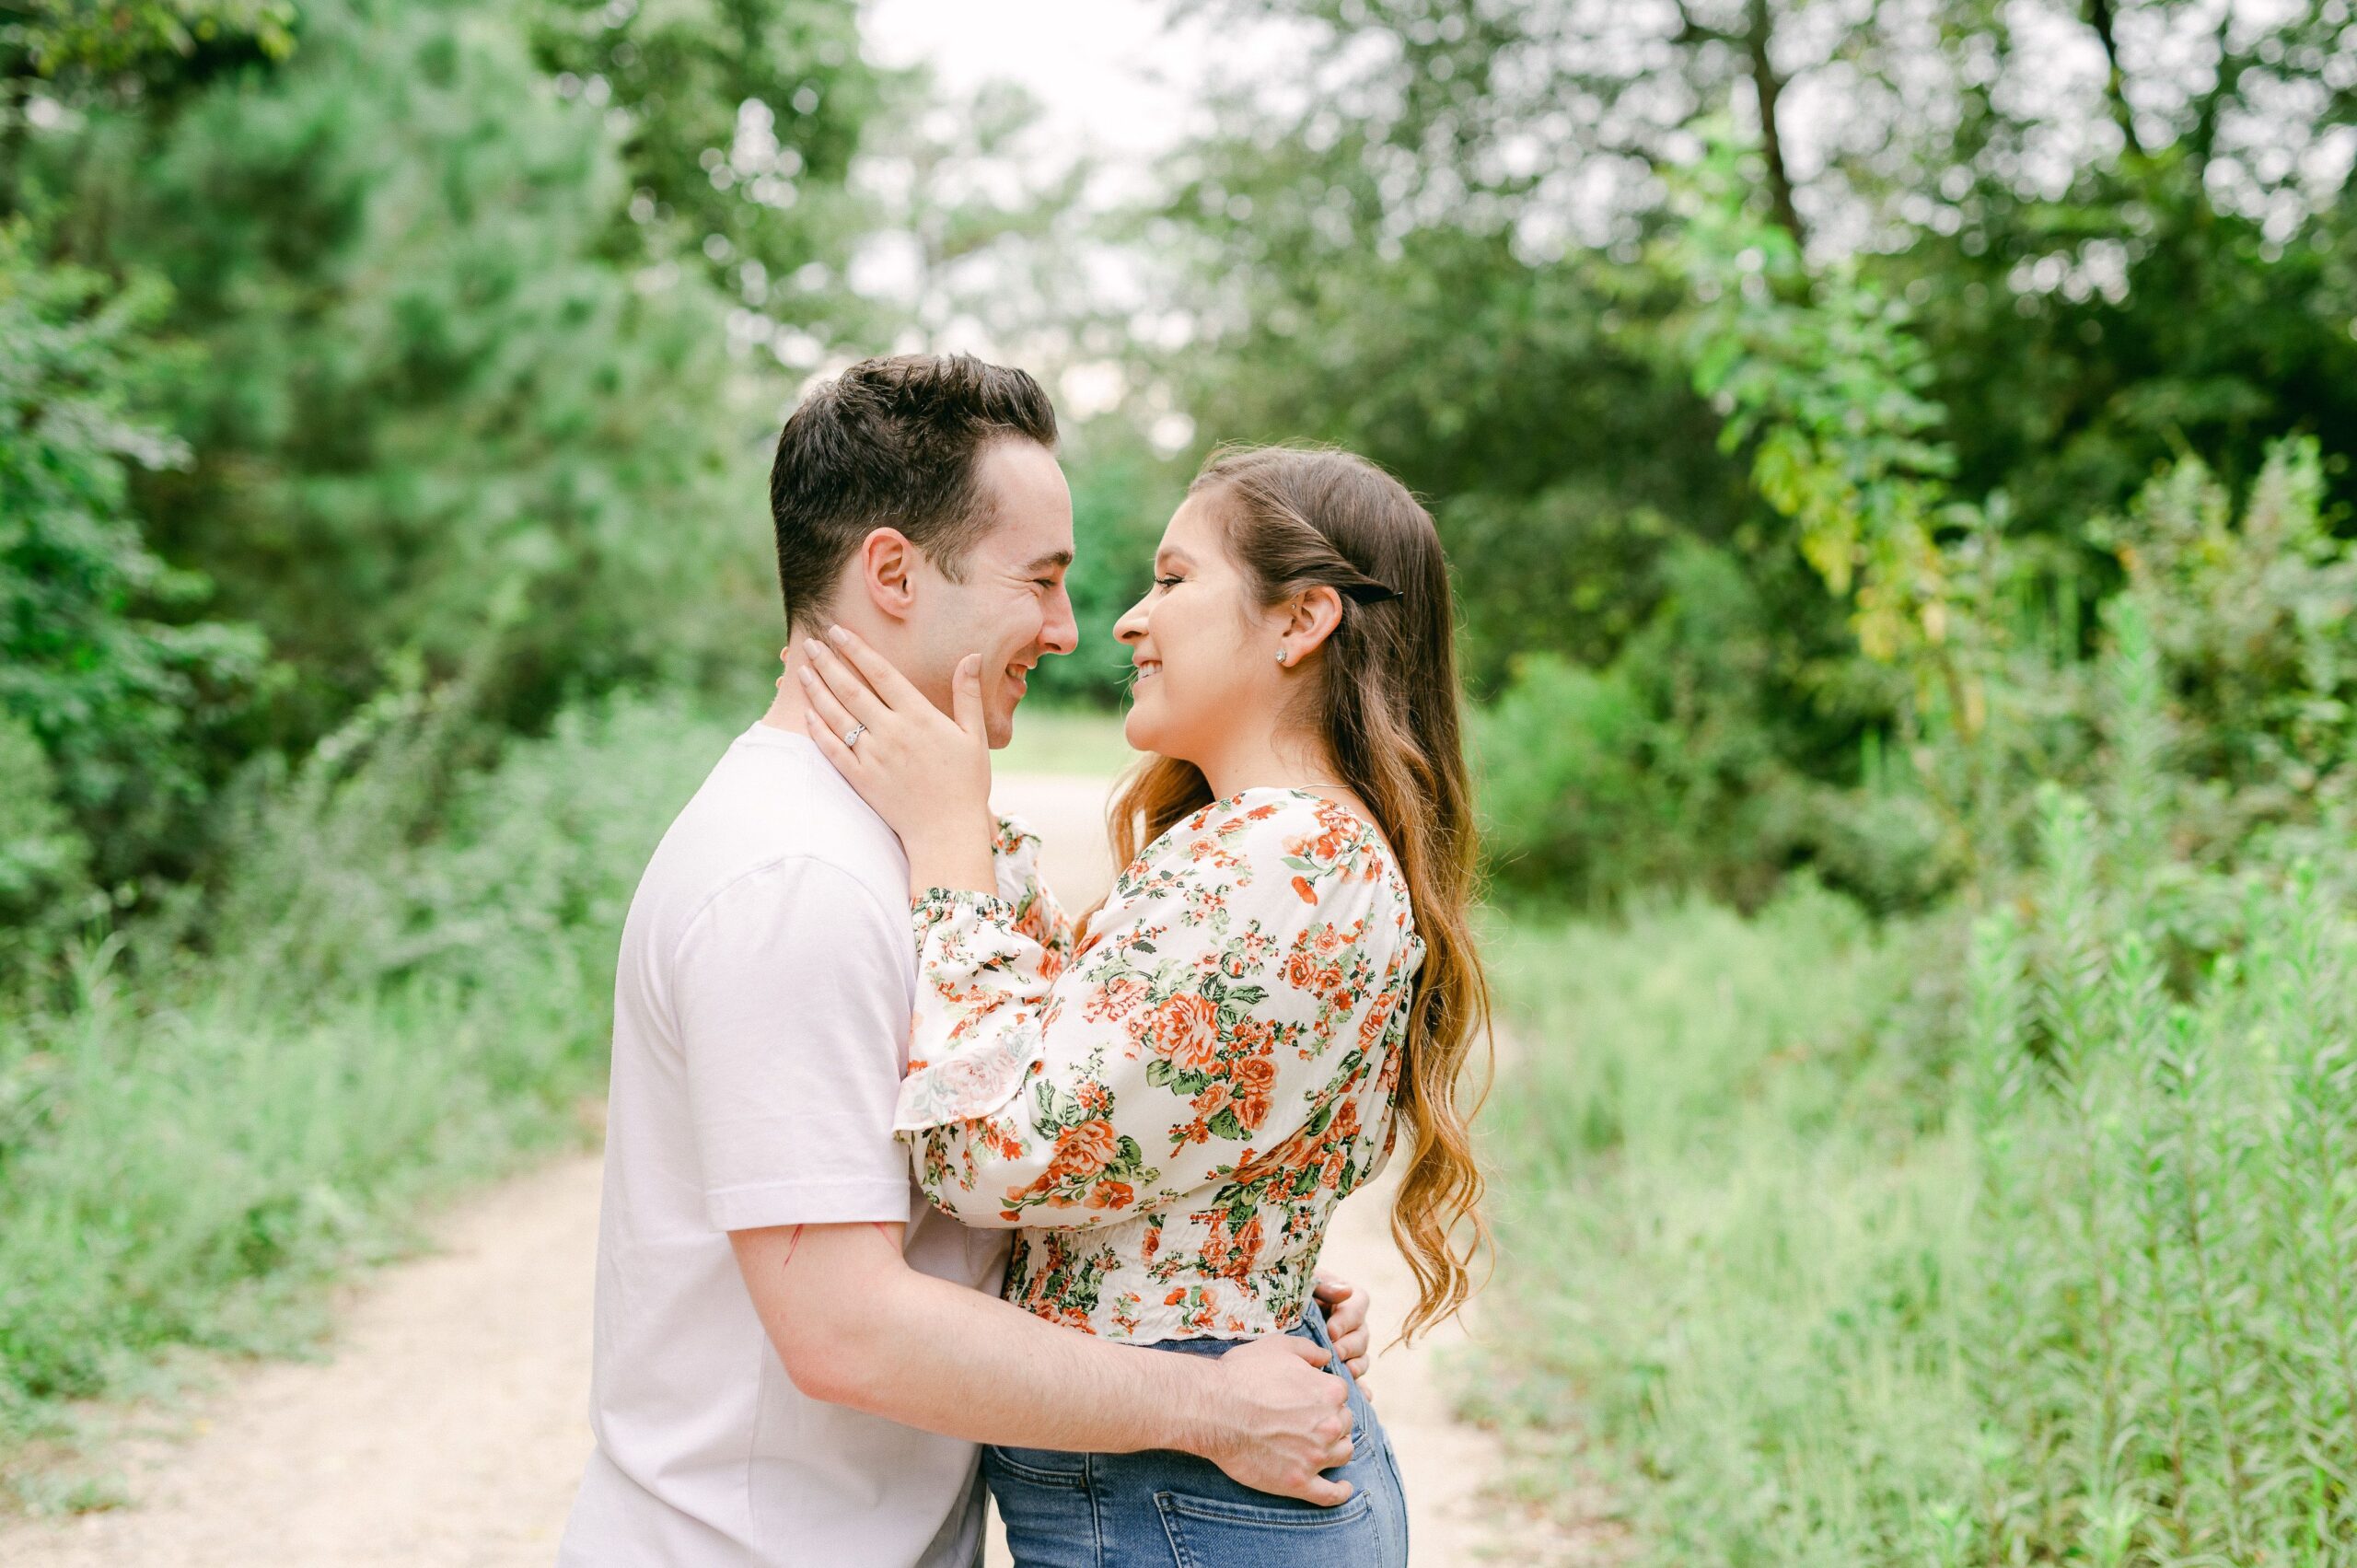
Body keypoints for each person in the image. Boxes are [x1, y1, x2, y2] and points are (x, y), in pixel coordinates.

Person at [557, 359, 1376, 1568]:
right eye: (1040, 579)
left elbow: (1019, 1122)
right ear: (892, 572)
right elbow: (848, 1329)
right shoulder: (794, 877)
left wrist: (1204, 1286)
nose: (1068, 627)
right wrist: (1210, 1404)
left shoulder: (897, 834)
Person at [799, 443, 1492, 1566]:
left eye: (1172, 579)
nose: (1126, 618)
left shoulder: (1287, 855)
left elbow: (990, 1157)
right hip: (1187, 1487)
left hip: (1177, 1500)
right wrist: (1217, 1254)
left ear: (1300, 620)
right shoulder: (1265, 844)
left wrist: (945, 841)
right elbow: (1154, 1116)